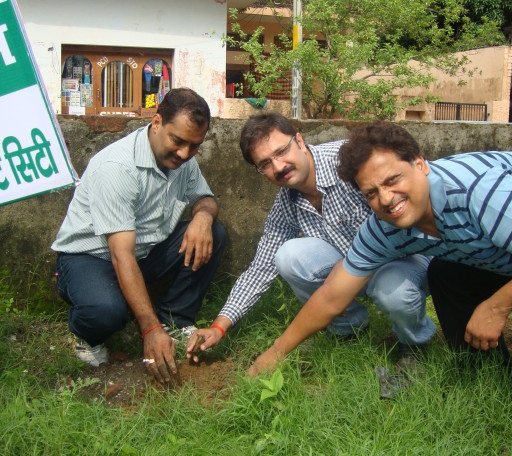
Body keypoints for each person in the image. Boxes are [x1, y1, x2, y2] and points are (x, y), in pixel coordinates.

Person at [248, 121, 512, 375]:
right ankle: (486, 371)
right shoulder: (384, 227)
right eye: (371, 193)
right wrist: (275, 352)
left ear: (420, 164)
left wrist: (496, 308)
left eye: (392, 180)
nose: (386, 199)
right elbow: (331, 296)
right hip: (490, 258)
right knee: (445, 274)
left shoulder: (480, 192)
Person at [187, 113, 435, 362]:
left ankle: (413, 343)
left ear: (299, 141)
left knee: (393, 289)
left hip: (403, 259)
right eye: (265, 164)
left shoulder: (349, 162)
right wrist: (219, 326)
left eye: (282, 151)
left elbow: (414, 191)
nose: (279, 167)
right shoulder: (287, 203)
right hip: (353, 270)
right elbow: (261, 268)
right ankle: (348, 329)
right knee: (288, 256)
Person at [52, 87, 226, 383]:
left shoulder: (184, 163)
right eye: (177, 141)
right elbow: (121, 255)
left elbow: (205, 198)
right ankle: (85, 335)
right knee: (105, 311)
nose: (184, 153)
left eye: (194, 146)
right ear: (157, 122)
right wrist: (149, 330)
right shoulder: (117, 167)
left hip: (145, 252)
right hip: (89, 258)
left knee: (214, 233)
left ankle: (174, 319)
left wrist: (202, 217)